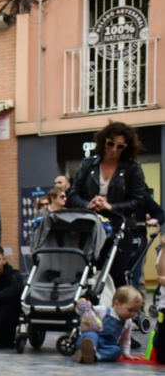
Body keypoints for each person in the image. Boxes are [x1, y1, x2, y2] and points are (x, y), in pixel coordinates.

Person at [68, 122, 147, 288]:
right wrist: (88, 204)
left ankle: (115, 304)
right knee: (89, 274)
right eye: (110, 144)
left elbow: (138, 201)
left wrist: (111, 207)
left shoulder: (132, 168)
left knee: (116, 276)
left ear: (127, 147)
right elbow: (73, 194)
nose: (114, 149)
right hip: (91, 227)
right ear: (103, 141)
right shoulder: (88, 164)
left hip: (120, 229)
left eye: (120, 146)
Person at [74, 286, 143, 364]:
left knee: (117, 350)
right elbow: (86, 311)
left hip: (106, 346)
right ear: (117, 304)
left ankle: (92, 356)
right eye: (130, 310)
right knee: (92, 335)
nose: (133, 314)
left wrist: (126, 354)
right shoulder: (103, 310)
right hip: (88, 340)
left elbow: (125, 339)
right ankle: (89, 350)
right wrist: (81, 305)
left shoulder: (128, 322)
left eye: (136, 311)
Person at [129, 189, 164, 292]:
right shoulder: (114, 193)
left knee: (136, 277)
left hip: (137, 241)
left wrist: (155, 219)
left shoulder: (141, 194)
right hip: (116, 240)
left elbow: (159, 212)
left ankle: (136, 299)